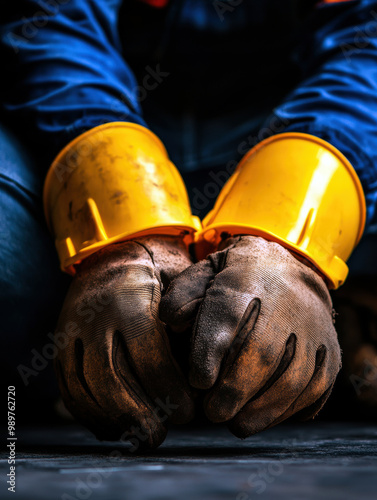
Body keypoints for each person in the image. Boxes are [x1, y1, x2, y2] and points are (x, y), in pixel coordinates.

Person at [1, 0, 377, 449]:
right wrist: (126, 232)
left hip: (315, 125)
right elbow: (48, 26)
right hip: (82, 125)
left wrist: (284, 240)